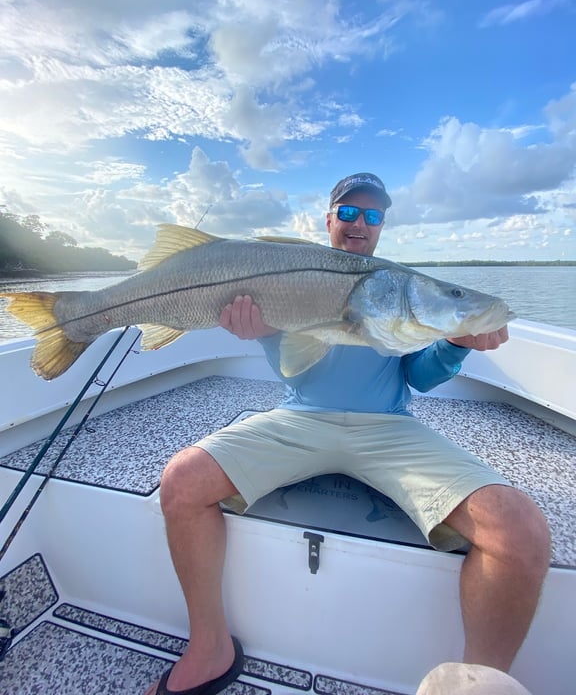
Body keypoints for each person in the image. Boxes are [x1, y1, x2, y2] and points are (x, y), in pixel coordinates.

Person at [144, 173, 550, 695]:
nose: (361, 223)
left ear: (382, 226)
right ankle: (209, 648)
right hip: (301, 418)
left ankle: (476, 686)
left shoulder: (391, 289)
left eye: (373, 215)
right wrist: (264, 330)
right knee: (181, 480)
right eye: (350, 212)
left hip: (388, 427)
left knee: (519, 530)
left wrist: (456, 343)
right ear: (330, 219)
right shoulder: (288, 270)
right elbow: (293, 369)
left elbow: (418, 376)